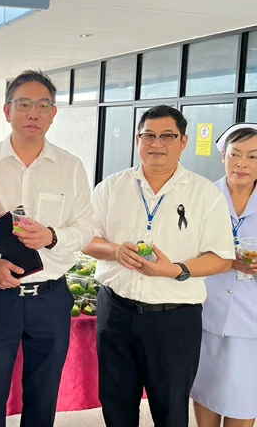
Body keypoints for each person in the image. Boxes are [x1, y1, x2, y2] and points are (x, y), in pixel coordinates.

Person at [84, 105, 235, 427]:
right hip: (116, 311)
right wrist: (114, 251)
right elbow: (86, 239)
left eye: (168, 136)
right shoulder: (112, 186)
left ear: (183, 142)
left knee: (171, 409)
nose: (157, 143)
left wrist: (176, 269)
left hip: (174, 319)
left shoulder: (205, 194)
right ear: (137, 140)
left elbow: (222, 258)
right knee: (116, 402)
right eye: (148, 135)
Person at [0, 70, 97, 427]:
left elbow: (86, 228)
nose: (33, 113)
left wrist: (51, 237)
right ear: (7, 111)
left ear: (53, 113)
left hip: (49, 298)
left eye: (42, 105)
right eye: (23, 104)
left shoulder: (70, 166)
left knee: (43, 393)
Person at [191, 123, 257, 427]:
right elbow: (183, 248)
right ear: (223, 157)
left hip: (251, 321)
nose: (242, 163)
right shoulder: (202, 196)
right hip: (205, 312)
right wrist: (226, 262)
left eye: (253, 156)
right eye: (235, 154)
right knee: (205, 389)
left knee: (245, 397)